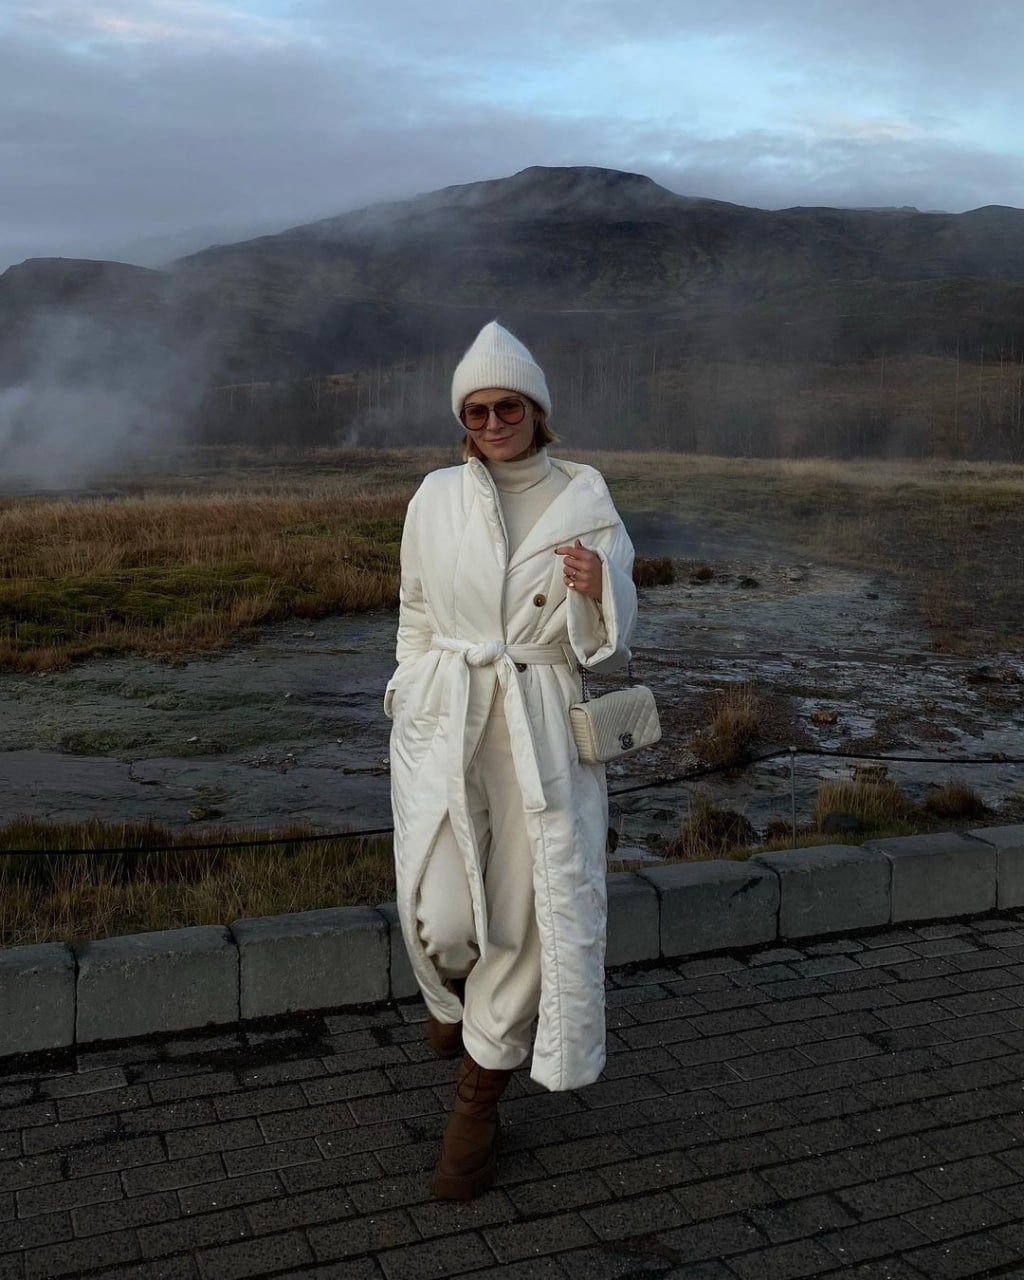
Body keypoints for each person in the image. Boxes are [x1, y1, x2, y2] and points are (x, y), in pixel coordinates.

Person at [384, 320, 638, 1200]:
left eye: (509, 406)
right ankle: (449, 993)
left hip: (539, 724)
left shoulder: (586, 500)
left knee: (527, 918)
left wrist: (600, 593)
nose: (494, 422)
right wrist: (407, 689)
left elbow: (611, 648)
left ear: (537, 410)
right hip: (448, 714)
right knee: (443, 912)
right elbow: (416, 609)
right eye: (478, 410)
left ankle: (477, 1098)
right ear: (464, 418)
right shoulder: (435, 497)